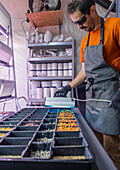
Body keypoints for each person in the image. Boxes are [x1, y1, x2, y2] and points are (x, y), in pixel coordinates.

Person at [54, 0, 120, 169]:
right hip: (93, 99)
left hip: (112, 96)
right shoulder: (85, 42)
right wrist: (68, 86)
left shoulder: (115, 26)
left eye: (81, 21)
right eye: (75, 23)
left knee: (111, 149)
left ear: (92, 10)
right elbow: (85, 71)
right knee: (94, 147)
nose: (79, 27)